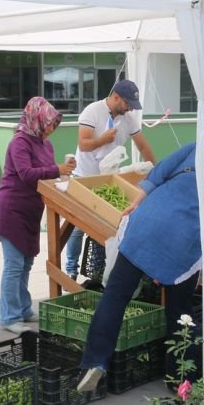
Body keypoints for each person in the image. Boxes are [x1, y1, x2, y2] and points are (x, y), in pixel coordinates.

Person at [76, 138, 204, 392]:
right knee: (180, 311)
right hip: (181, 245)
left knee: (115, 296)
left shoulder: (202, 147)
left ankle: (95, 361)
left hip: (145, 225)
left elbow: (160, 171)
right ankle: (180, 378)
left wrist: (139, 199)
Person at [0, 97, 75, 334]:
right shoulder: (19, 142)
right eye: (48, 123)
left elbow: (46, 175)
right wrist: (57, 169)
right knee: (14, 264)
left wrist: (64, 173)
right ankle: (9, 316)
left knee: (26, 263)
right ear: (36, 118)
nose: (51, 129)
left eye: (54, 124)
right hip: (12, 209)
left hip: (31, 211)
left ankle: (24, 309)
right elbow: (27, 174)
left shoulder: (45, 145)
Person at [64, 79, 156, 280]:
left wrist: (156, 171)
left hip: (108, 179)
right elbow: (84, 144)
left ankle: (99, 270)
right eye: (127, 103)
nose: (130, 108)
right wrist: (103, 139)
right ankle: (70, 269)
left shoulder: (128, 118)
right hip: (85, 177)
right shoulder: (92, 111)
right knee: (77, 227)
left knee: (108, 224)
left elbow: (143, 146)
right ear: (116, 97)